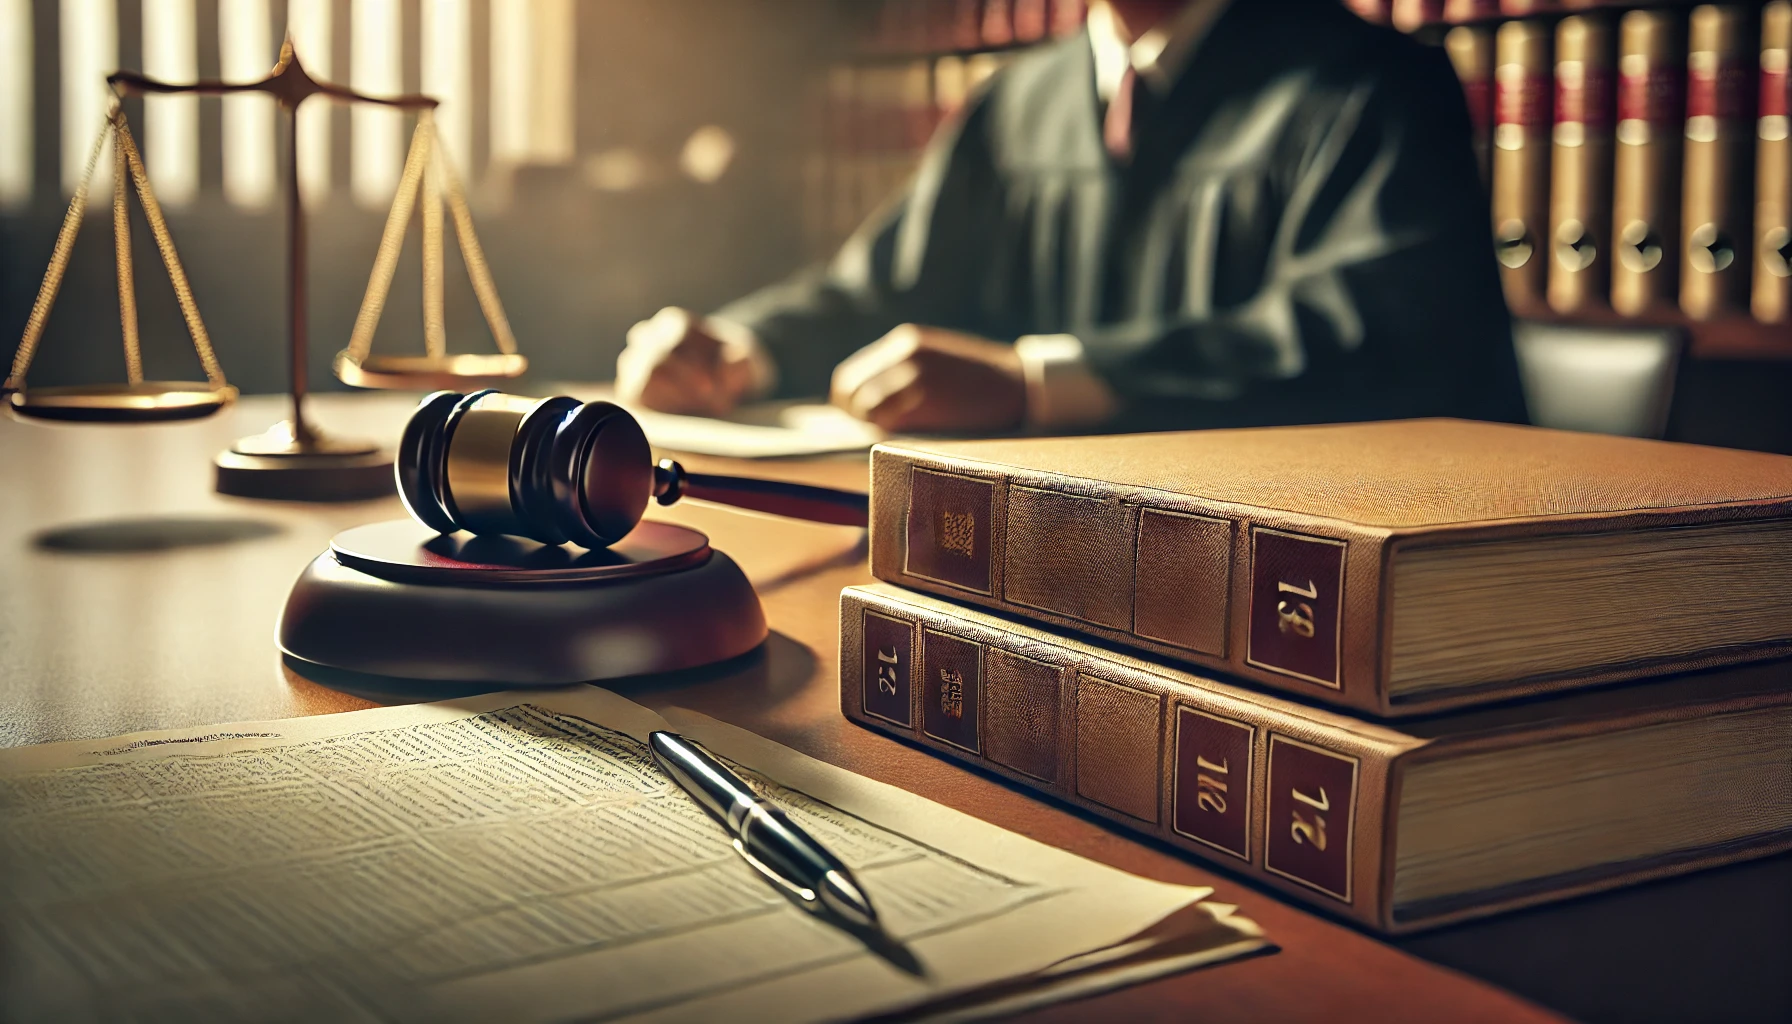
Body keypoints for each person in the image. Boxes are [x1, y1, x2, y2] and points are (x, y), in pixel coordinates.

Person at [615, 0, 1527, 434]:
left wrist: (1033, 380)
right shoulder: (1017, 103)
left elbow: (1376, 335)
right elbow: (880, 289)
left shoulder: (1370, 87)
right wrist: (737, 348)